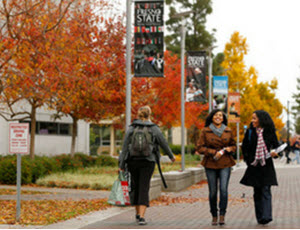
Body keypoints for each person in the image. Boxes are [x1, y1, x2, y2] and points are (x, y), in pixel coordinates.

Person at [118, 106, 175, 225]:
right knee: (144, 186)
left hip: (132, 161)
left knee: (135, 185)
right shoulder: (153, 128)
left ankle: (137, 213)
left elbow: (124, 148)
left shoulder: (131, 128)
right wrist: (170, 155)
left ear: (138, 115)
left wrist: (121, 164)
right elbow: (163, 142)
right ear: (149, 114)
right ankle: (142, 217)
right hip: (148, 161)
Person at [196, 109, 236, 226]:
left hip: (225, 163)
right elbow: (199, 147)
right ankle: (214, 215)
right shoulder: (205, 131)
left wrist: (229, 149)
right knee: (213, 191)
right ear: (212, 117)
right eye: (216, 115)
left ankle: (222, 214)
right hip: (210, 163)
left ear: (223, 118)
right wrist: (213, 152)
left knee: (223, 190)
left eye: (220, 115)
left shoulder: (228, 130)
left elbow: (234, 145)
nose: (218, 117)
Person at [240, 110, 279, 225]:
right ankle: (260, 217)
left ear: (261, 119)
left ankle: (267, 216)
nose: (252, 121)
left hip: (266, 165)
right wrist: (248, 160)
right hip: (254, 166)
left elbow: (276, 146)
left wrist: (275, 153)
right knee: (257, 191)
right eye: (252, 118)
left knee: (266, 189)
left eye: (254, 119)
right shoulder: (250, 132)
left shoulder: (270, 132)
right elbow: (245, 147)